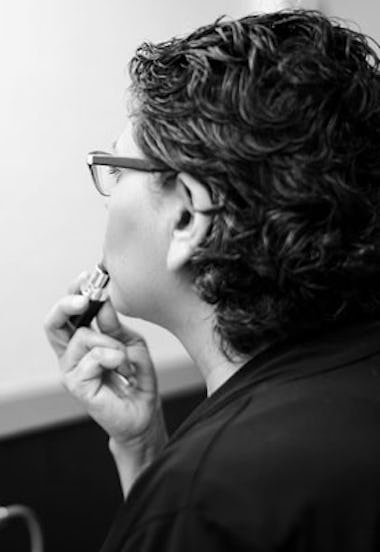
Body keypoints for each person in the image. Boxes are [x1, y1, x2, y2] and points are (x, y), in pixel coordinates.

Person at [44, 9, 380, 552]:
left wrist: (175, 488)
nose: (109, 195)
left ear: (187, 218)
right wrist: (144, 449)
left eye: (117, 170)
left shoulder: (211, 498)